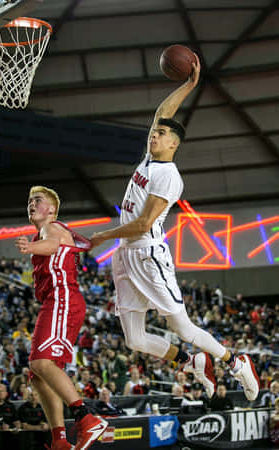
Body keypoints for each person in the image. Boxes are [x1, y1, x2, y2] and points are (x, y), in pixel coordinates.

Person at [91, 54, 259, 403]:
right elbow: (161, 113)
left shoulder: (168, 176)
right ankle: (190, 360)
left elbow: (143, 223)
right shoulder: (151, 158)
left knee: (181, 327)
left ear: (174, 144)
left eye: (162, 133)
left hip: (149, 254)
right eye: (154, 132)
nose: (155, 134)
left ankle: (234, 360)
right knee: (134, 340)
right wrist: (187, 85)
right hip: (126, 256)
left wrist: (102, 237)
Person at [15, 186, 108, 450]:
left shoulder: (53, 228)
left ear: (52, 209)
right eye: (29, 200)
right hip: (58, 302)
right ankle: (59, 440)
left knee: (40, 362)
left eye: (37, 200)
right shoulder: (44, 232)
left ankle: (86, 418)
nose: (31, 204)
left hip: (62, 298)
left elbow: (52, 244)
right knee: (39, 376)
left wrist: (31, 246)